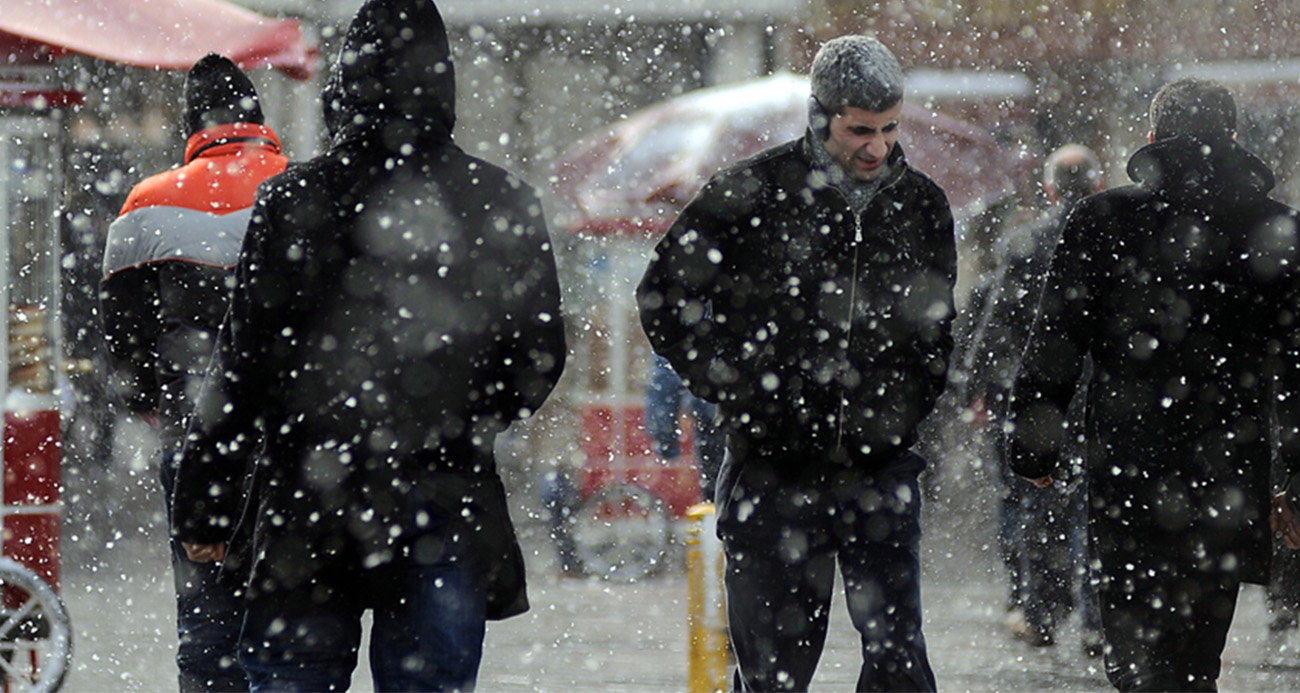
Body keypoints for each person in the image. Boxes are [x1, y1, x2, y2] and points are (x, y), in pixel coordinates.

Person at [169, 0, 567, 689]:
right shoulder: (499, 200)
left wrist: (206, 501)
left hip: (308, 506)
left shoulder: (293, 199)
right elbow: (538, 355)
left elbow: (241, 365)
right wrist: (465, 417)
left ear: (347, 82)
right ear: (443, 82)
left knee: (293, 674)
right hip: (444, 494)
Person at [638, 35, 954, 692]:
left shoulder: (920, 204)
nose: (878, 147)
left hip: (880, 467)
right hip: (772, 470)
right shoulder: (750, 192)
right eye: (860, 130)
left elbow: (936, 327)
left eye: (890, 128)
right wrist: (740, 389)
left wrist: (906, 404)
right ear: (821, 116)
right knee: (774, 671)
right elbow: (664, 296)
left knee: (899, 663)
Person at [1007, 77, 1300, 691]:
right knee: (1196, 659)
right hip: (1229, 475)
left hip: (1130, 466)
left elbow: (1056, 340)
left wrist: (1035, 441)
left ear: (1151, 138)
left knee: (1136, 657)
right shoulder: (1276, 229)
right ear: (1234, 137)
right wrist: (1293, 480)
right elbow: (1295, 370)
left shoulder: (1103, 218)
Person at [101, 52, 288, 692]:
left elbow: (122, 337)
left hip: (195, 433)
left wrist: (152, 403)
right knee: (295, 625)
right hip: (295, 441)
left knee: (208, 617)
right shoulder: (300, 186)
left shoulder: (146, 203)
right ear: (258, 118)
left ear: (192, 125)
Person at [963, 144, 1105, 653]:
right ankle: (1096, 621)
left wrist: (977, 384)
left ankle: (1041, 612)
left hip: (1035, 398)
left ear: (1047, 189)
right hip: (1093, 396)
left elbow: (998, 320)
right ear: (1095, 185)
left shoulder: (1024, 242)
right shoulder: (1110, 240)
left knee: (1036, 504)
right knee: (1093, 509)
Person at [645, 353, 725, 500]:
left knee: (718, 495)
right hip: (761, 418)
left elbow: (664, 380)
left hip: (712, 423)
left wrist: (665, 440)